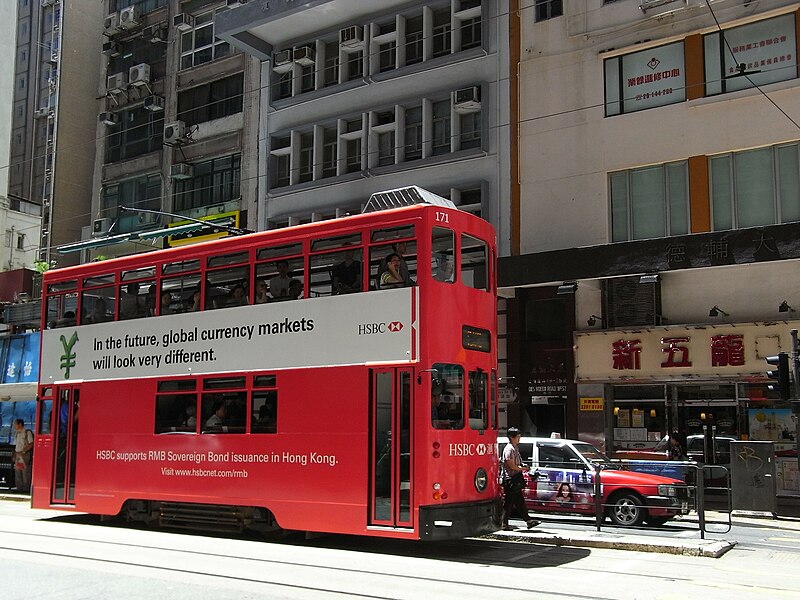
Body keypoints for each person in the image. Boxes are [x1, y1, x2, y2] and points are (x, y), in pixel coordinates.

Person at [501, 427, 539, 530]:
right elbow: (512, 465)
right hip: (511, 479)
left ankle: (528, 521)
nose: (519, 438)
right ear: (511, 437)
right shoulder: (509, 449)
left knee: (519, 501)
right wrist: (523, 468)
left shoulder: (515, 448)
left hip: (516, 478)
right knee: (509, 502)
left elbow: (517, 463)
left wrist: (523, 466)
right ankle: (503, 523)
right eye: (517, 436)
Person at [12, 419, 34, 493]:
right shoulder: (17, 434)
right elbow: (16, 445)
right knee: (18, 471)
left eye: (15, 424)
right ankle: (19, 488)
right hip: (18, 454)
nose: (14, 426)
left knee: (26, 472)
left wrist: (24, 451)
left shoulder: (27, 432)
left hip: (25, 454)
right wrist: (15, 454)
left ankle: (26, 489)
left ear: (20, 424)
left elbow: (31, 444)